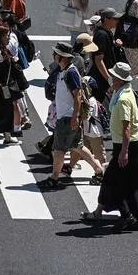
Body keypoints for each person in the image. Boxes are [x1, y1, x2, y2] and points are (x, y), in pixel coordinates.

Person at [93, 62, 138, 231]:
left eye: (114, 75)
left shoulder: (124, 98)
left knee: (113, 181)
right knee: (130, 184)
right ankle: (136, 220)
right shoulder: (123, 92)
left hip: (126, 145)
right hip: (127, 144)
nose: (111, 77)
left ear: (119, 79)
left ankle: (128, 216)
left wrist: (123, 153)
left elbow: (126, 127)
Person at [38, 43, 103, 190]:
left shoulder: (71, 72)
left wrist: (75, 116)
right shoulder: (63, 71)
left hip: (68, 118)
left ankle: (54, 178)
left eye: (56, 53)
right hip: (67, 117)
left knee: (58, 150)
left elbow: (78, 94)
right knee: (78, 146)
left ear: (61, 57)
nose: (53, 55)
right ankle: (99, 171)